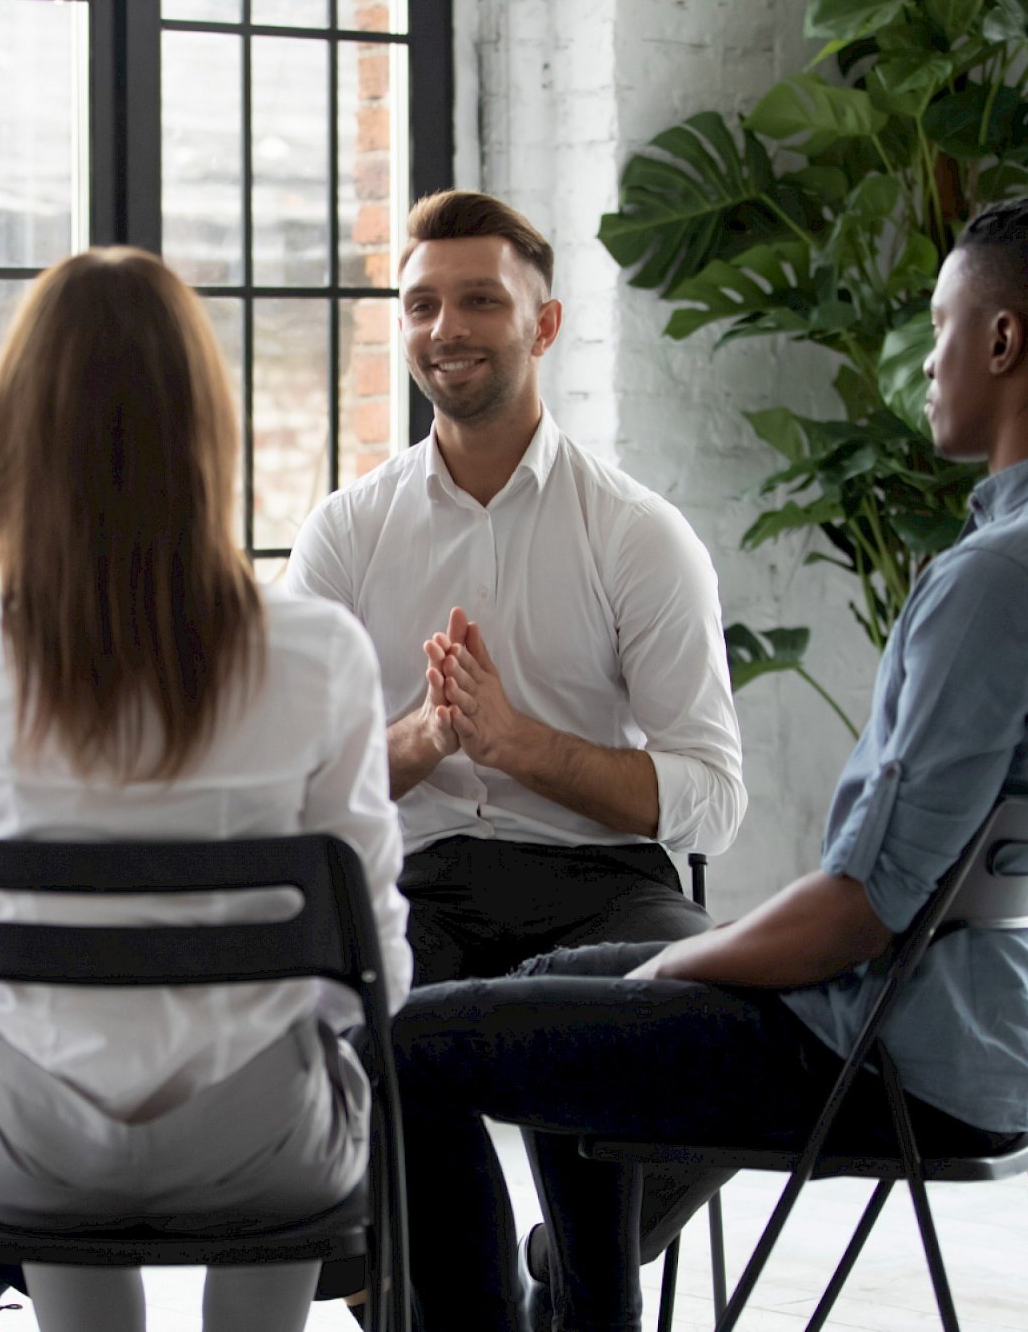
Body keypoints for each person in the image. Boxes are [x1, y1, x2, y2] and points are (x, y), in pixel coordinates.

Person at [392, 188, 1028, 1331]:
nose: (925, 363)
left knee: (413, 1042)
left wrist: (678, 968)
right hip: (997, 1042)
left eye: (937, 330)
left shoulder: (1001, 576)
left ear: (1002, 341)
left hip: (880, 1054)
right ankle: (583, 1315)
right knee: (545, 1006)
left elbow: (857, 911)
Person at [0, 246, 414, 1332]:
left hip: (34, 1149)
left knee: (42, 1079)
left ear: (16, 441)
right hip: (266, 1148)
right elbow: (374, 976)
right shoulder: (320, 654)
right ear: (205, 435)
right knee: (291, 1080)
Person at [286, 189, 747, 1302]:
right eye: (419, 304)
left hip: (600, 887)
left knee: (725, 1029)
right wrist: (427, 737)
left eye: (479, 301)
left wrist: (520, 745)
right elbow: (294, 783)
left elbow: (711, 794)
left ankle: (577, 1272)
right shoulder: (347, 531)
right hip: (417, 881)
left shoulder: (635, 534)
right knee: (359, 1023)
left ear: (541, 325)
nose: (445, 327)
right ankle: (461, 1301)